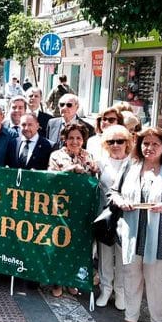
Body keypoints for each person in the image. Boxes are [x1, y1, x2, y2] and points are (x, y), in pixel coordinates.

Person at [108, 127, 162, 322]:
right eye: (145, 143)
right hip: (131, 235)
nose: (149, 148)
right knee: (131, 277)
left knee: (156, 282)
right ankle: (131, 318)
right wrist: (120, 201)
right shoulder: (130, 165)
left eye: (155, 144)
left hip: (161, 238)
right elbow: (114, 191)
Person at [47, 123, 98, 296]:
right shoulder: (56, 155)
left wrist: (94, 169)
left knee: (76, 245)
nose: (74, 141)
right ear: (64, 139)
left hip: (82, 208)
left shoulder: (88, 155)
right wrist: (70, 170)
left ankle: (71, 280)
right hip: (60, 207)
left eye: (78, 138)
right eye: (71, 138)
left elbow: (94, 180)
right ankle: (57, 282)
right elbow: (50, 178)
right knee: (59, 243)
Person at [95, 125, 133, 311]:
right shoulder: (100, 163)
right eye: (111, 141)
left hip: (128, 217)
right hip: (106, 216)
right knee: (105, 255)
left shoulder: (135, 163)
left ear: (128, 143)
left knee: (123, 257)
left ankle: (120, 292)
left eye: (120, 141)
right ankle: (105, 289)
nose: (116, 145)